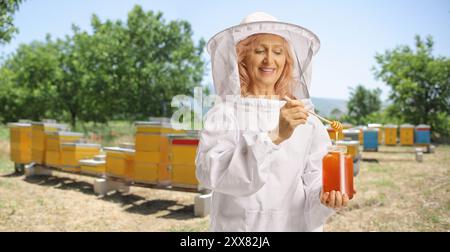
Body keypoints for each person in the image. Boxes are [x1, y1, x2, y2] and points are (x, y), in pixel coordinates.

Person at [195, 12, 353, 232]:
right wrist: (274, 135)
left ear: (286, 60)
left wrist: (326, 195)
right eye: (259, 51)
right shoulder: (224, 113)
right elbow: (210, 173)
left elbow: (316, 175)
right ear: (241, 58)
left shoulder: (305, 117)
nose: (269, 60)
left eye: (278, 52)